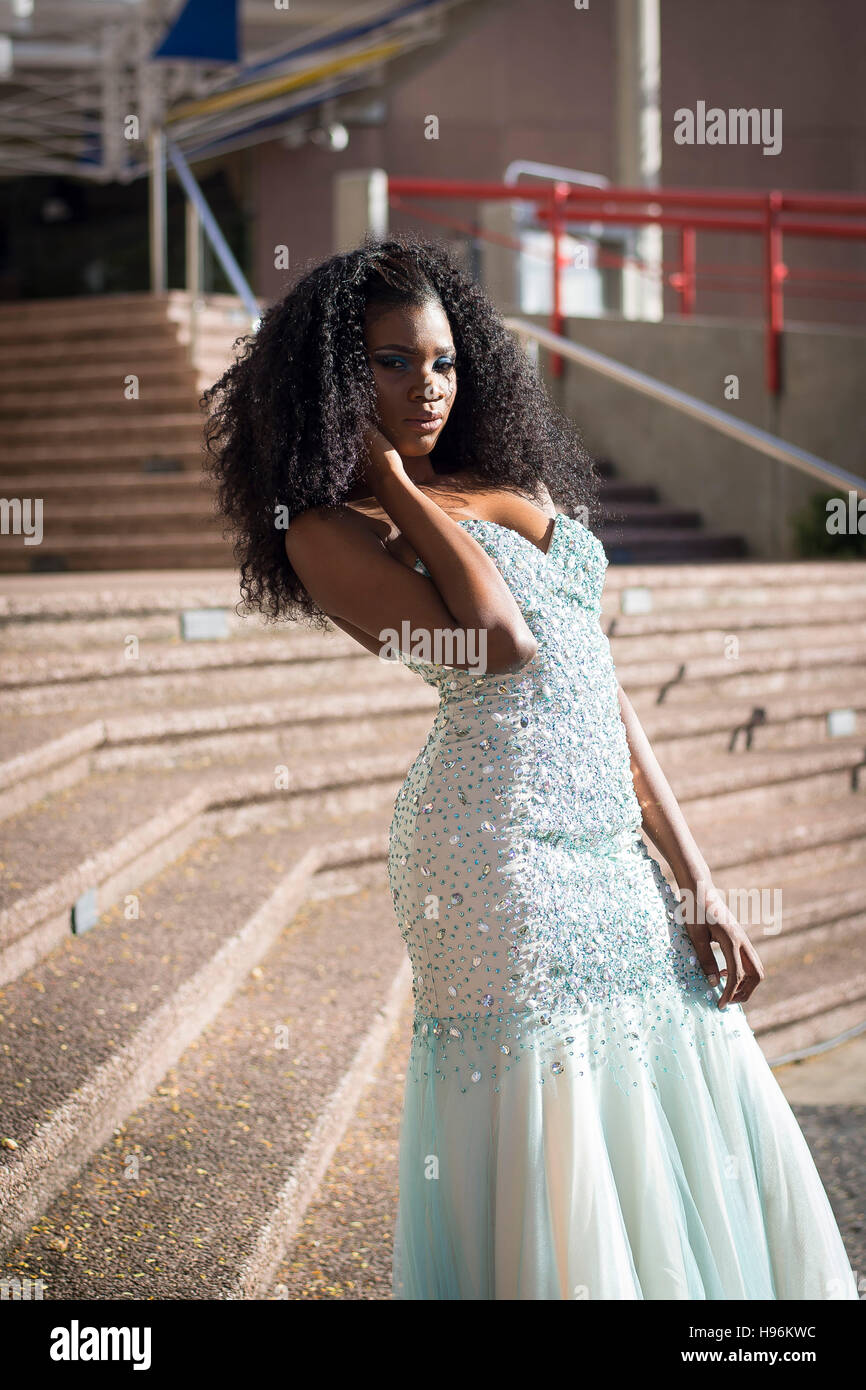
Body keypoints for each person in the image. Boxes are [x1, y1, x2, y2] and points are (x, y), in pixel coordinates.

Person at [204, 234, 857, 1301]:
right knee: (552, 1130)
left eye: (445, 360)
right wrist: (393, 483)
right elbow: (499, 645)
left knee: (682, 1084)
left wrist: (695, 882)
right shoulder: (324, 534)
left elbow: (601, 688)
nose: (428, 386)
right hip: (491, 855)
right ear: (334, 375)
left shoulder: (506, 475)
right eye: (392, 362)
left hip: (607, 844)